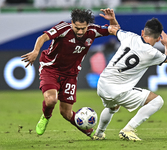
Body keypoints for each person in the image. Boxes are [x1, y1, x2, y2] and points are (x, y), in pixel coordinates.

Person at [21, 8, 119, 139]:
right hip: (51, 68)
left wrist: (112, 18)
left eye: (82, 28)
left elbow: (114, 29)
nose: (79, 31)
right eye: (76, 28)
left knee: (66, 113)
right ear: (72, 22)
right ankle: (46, 116)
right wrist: (35, 51)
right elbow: (43, 37)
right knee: (51, 100)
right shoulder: (63, 28)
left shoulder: (93, 30)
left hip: (70, 74)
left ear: (87, 26)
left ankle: (90, 133)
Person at [93, 18, 167, 140]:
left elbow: (115, 30)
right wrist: (166, 44)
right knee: (157, 101)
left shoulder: (129, 36)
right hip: (117, 89)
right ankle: (128, 129)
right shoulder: (153, 53)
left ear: (142, 32)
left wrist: (113, 19)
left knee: (112, 107)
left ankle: (98, 134)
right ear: (158, 39)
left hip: (102, 84)